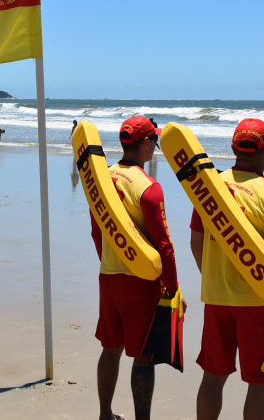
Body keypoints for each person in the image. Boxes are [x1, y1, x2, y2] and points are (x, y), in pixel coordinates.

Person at [189, 118, 264, 420]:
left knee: (213, 377)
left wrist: (214, 279)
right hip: (260, 302)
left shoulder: (209, 190)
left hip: (216, 300)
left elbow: (196, 242)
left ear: (233, 148)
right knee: (260, 385)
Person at [90, 116, 181, 420]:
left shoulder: (102, 178)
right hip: (140, 282)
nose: (155, 146)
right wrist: (173, 287)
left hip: (108, 275)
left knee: (111, 347)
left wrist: (108, 261)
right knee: (143, 355)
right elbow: (163, 243)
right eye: (154, 140)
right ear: (145, 143)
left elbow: (96, 230)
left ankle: (105, 414)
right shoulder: (148, 187)